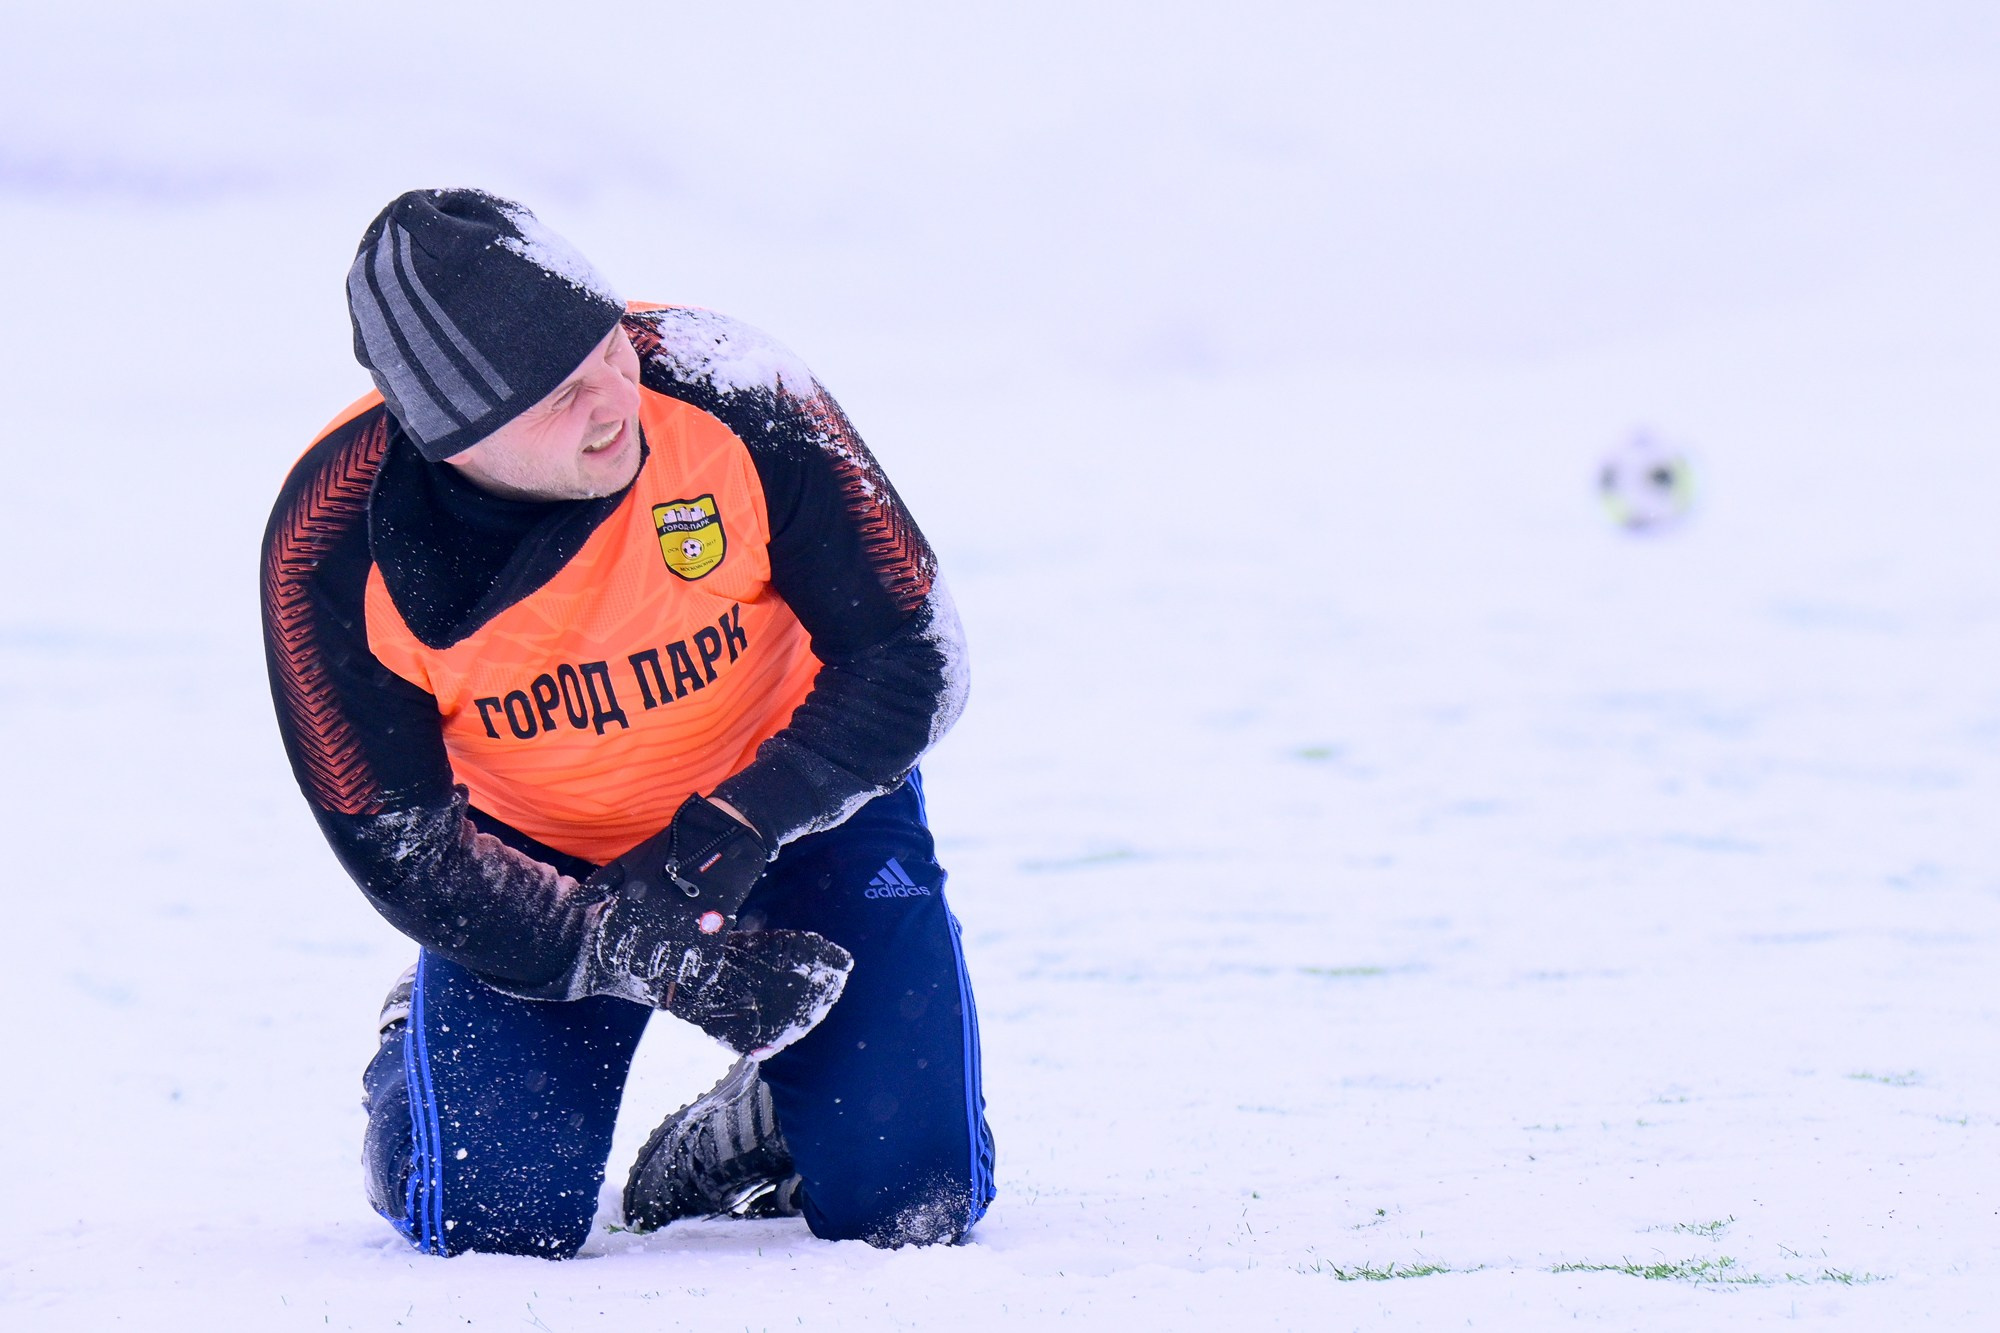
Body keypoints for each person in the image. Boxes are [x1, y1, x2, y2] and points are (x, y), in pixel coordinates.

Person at [259, 189, 993, 1258]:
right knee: (492, 1227)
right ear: (451, 434)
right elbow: (398, 845)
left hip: (792, 803)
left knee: (912, 1208)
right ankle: (414, 1053)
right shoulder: (328, 542)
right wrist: (622, 944)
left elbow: (916, 657)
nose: (616, 397)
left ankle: (769, 1117)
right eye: (561, 395)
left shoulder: (736, 391)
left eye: (608, 347)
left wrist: (741, 822)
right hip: (540, 864)